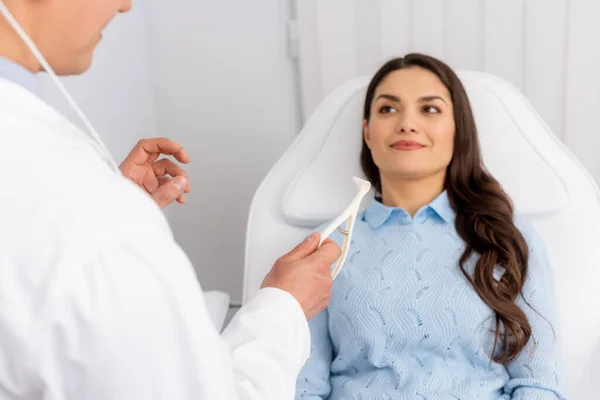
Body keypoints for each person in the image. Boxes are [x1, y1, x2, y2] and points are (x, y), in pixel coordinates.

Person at [0, 0, 341, 399]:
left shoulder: (71, 200)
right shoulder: (90, 219)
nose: (126, 6)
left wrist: (116, 208)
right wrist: (285, 309)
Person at [295, 54, 565, 399]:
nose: (407, 123)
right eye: (388, 109)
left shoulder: (507, 238)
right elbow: (304, 388)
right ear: (367, 131)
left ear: (458, 130)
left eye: (430, 109)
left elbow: (538, 383)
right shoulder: (326, 247)